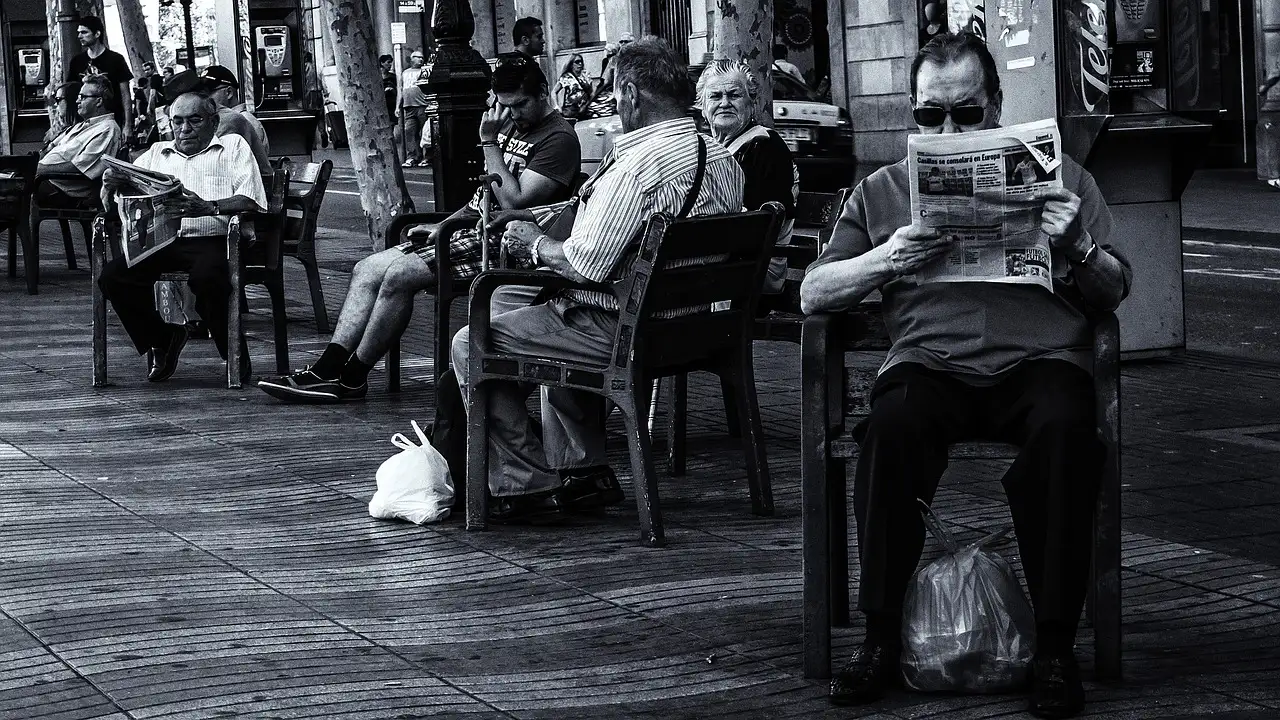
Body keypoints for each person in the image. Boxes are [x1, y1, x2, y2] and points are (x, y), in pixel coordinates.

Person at [799, 32, 1131, 719]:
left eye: (967, 114)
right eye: (929, 116)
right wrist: (885, 260)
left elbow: (1115, 290)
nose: (946, 129)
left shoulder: (1064, 178)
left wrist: (1078, 246)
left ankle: (1054, 646)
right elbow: (813, 294)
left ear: (996, 106)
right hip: (930, 365)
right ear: (912, 112)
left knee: (1070, 433)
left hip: (1040, 365)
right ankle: (881, 637)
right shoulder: (883, 190)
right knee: (890, 428)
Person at [446, 36, 745, 525]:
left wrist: (533, 242)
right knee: (543, 316)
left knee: (470, 340)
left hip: (629, 331)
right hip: (697, 329)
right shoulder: (721, 159)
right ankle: (585, 473)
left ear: (629, 94)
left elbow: (583, 265)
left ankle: (526, 483)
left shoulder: (638, 168)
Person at [258, 54, 580, 404]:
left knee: (399, 275)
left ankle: (352, 377)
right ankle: (327, 368)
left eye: (520, 105)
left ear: (543, 92)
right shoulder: (510, 125)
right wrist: (441, 224)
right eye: (506, 106)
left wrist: (489, 143)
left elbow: (514, 203)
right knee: (366, 269)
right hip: (473, 231)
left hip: (508, 244)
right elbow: (481, 197)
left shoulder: (558, 139)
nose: (513, 115)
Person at [97, 93, 267, 385]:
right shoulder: (156, 152)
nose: (184, 129)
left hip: (214, 239)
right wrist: (113, 185)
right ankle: (164, 337)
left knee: (208, 278)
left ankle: (234, 353)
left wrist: (210, 205)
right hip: (163, 240)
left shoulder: (232, 147)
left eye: (194, 120)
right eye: (177, 121)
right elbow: (119, 203)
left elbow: (251, 200)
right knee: (114, 276)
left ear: (213, 122)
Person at [696, 59, 798, 310]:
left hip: (755, 273)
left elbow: (758, 226)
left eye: (734, 95)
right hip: (725, 267)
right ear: (702, 106)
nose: (724, 103)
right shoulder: (712, 150)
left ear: (751, 103)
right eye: (715, 96)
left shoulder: (764, 146)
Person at [35, 75, 122, 207]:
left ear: (99, 101)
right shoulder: (85, 125)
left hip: (61, 190)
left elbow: (80, 167)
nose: (77, 101)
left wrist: (40, 169)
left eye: (82, 97)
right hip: (46, 180)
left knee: (8, 194)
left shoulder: (107, 129)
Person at [67, 16, 133, 141]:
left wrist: (128, 125)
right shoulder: (77, 62)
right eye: (78, 33)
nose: (79, 36)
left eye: (84, 32)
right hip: (84, 124)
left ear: (97, 33)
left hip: (112, 122)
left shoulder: (116, 59)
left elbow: (125, 95)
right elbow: (70, 94)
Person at [199, 65, 271, 173]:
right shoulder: (222, 120)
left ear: (228, 93)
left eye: (209, 93)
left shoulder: (241, 120)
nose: (205, 99)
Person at [398, 49, 430, 167]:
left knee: (425, 132)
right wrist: (398, 106)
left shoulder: (425, 70)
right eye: (418, 57)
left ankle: (427, 157)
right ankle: (412, 156)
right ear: (412, 59)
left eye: (422, 57)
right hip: (409, 106)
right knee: (410, 132)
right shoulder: (405, 73)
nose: (421, 59)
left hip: (422, 105)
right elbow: (400, 90)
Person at [554, 54, 591, 120]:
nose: (580, 64)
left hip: (585, 109)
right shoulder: (566, 77)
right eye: (577, 62)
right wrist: (556, 105)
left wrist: (588, 81)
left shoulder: (585, 75)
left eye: (581, 61)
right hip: (571, 110)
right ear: (571, 64)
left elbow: (591, 93)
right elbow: (553, 92)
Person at [380, 54, 397, 118]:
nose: (390, 65)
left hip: (391, 103)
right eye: (388, 62)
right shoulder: (376, 77)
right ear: (382, 63)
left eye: (391, 62)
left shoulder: (393, 77)